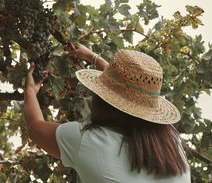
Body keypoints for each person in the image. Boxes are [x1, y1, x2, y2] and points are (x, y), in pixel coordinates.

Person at [24, 44, 191, 183]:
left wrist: (30, 91)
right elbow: (133, 95)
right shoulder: (173, 144)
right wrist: (93, 58)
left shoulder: (86, 141)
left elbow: (35, 128)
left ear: (103, 99)